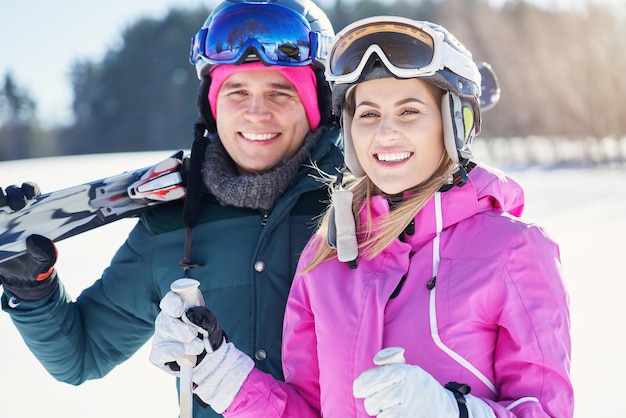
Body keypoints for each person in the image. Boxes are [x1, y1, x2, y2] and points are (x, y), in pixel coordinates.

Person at [145, 15, 574, 417]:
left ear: (453, 123)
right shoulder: (328, 254)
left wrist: (451, 411)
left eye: (409, 111)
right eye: (368, 114)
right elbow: (308, 408)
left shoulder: (514, 250)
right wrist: (219, 373)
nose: (385, 132)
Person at [0, 1, 341, 417]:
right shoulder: (171, 223)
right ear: (212, 106)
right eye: (237, 91)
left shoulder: (366, 205)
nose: (256, 112)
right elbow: (82, 357)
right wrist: (32, 290)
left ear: (318, 104)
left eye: (280, 91)